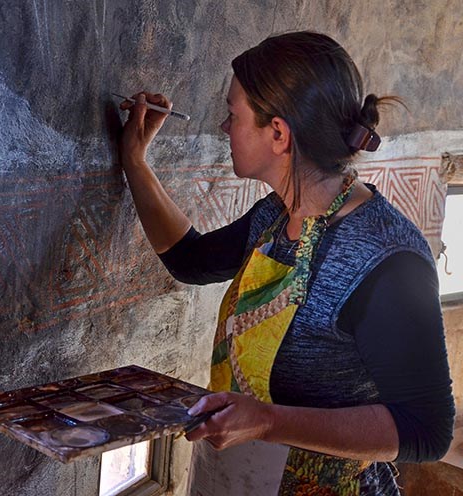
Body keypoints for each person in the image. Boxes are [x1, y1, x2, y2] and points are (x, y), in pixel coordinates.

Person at [117, 31, 455, 495]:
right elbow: (191, 260)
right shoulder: (276, 216)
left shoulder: (389, 259)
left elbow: (427, 430)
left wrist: (269, 422)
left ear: (278, 133)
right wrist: (136, 161)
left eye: (233, 115)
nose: (224, 127)